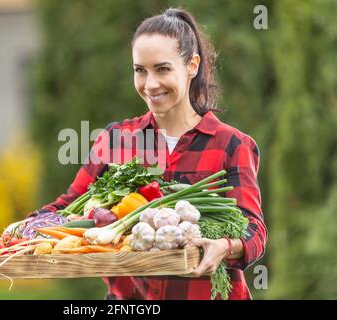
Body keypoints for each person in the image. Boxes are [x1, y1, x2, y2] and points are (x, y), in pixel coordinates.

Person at [25, 7, 267, 300]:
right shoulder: (116, 140)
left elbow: (253, 229)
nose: (150, 84)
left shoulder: (231, 144)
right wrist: (24, 229)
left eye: (162, 69)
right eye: (140, 70)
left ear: (192, 65)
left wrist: (227, 247)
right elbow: (68, 208)